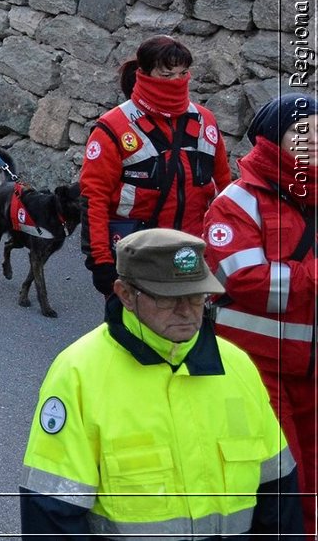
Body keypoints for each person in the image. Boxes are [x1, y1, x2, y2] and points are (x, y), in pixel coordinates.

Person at [20, 228, 300, 538]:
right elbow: (51, 513)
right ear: (126, 294)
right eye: (169, 298)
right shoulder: (77, 374)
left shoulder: (237, 366)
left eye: (196, 296)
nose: (186, 312)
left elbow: (279, 495)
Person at [205, 93, 318, 536]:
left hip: (309, 366)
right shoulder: (237, 201)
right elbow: (243, 280)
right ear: (274, 140)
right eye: (302, 131)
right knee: (279, 480)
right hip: (255, 366)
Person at [80, 36, 231, 298]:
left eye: (183, 73)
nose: (177, 81)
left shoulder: (205, 121)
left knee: (188, 330)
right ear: (145, 73)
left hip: (192, 253)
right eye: (167, 74)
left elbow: (225, 189)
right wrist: (101, 262)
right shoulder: (114, 127)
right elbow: (94, 198)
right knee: (135, 334)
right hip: (138, 254)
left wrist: (228, 246)